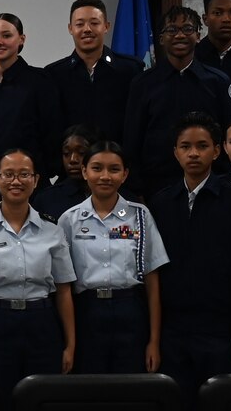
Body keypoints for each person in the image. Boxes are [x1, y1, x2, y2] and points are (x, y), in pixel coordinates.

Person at [148, 115, 231, 411]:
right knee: (177, 409)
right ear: (175, 152)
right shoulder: (162, 202)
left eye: (202, 146)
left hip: (220, 328)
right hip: (174, 329)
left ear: (217, 151)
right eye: (185, 146)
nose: (193, 153)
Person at [0, 149, 77, 398]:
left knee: (41, 398)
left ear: (35, 180)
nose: (16, 181)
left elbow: (64, 290)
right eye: (8, 174)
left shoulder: (52, 229)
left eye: (24, 174)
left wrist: (70, 343)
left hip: (42, 322)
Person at [59, 141, 166, 374]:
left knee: (130, 389)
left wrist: (154, 342)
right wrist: (69, 343)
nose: (105, 176)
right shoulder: (69, 220)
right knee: (90, 388)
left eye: (114, 169)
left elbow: (152, 280)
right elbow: (63, 284)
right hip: (87, 312)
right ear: (85, 171)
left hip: (130, 309)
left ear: (125, 174)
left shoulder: (140, 215)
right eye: (97, 168)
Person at [121, 4, 231, 195]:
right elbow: (132, 140)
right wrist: (136, 190)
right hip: (156, 187)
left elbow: (229, 133)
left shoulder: (217, 81)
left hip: (210, 185)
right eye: (172, 30)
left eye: (187, 29)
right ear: (161, 39)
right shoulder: (142, 83)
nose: (180, 35)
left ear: (198, 36)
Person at [0, 12, 59, 177]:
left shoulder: (41, 82)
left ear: (21, 39)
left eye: (6, 35)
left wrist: (44, 172)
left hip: (29, 181)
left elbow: (52, 133)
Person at [47, 0, 141, 147]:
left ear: (106, 26)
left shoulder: (130, 69)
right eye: (79, 24)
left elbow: (136, 123)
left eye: (94, 23)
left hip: (116, 162)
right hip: (72, 164)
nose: (87, 29)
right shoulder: (54, 74)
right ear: (70, 28)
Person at [32, 124, 95, 220]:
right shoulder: (46, 199)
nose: (73, 159)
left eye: (81, 153)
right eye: (66, 153)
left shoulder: (118, 197)